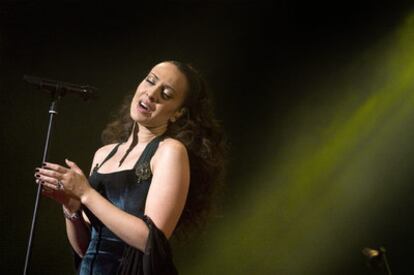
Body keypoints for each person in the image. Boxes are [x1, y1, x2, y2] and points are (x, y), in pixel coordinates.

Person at [34, 60, 227, 274]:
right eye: (150, 81)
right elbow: (85, 249)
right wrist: (71, 208)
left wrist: (85, 193)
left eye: (165, 94)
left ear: (178, 113)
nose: (151, 94)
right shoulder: (103, 154)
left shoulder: (169, 151)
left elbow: (150, 241)